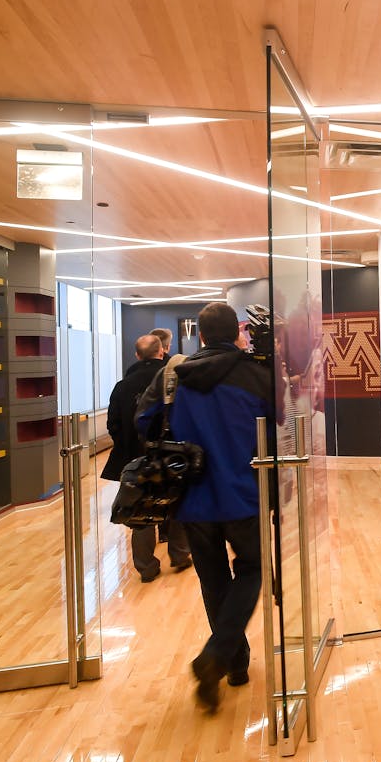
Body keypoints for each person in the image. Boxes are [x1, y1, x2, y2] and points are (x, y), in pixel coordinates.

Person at [137, 302, 272, 713]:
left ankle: (234, 665)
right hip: (244, 495)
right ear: (238, 334)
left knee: (213, 581)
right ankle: (216, 657)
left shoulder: (174, 376)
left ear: (199, 336)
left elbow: (143, 420)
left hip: (193, 499)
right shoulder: (257, 376)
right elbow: (283, 430)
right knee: (252, 569)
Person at [102, 334, 191, 582]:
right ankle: (180, 555)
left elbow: (114, 425)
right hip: (170, 454)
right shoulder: (174, 382)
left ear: (137, 355)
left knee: (139, 512)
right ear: (162, 352)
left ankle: (146, 568)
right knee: (176, 504)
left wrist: (129, 447)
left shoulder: (122, 386)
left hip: (133, 459)